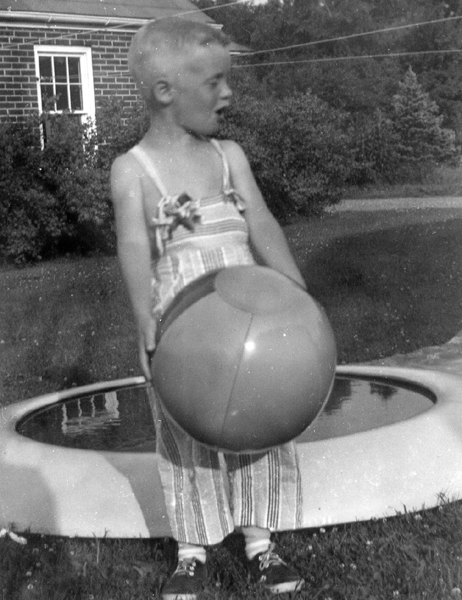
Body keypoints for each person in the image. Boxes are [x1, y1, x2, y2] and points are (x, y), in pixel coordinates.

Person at [111, 18, 306, 599]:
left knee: (259, 421)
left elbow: (261, 222)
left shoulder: (228, 156)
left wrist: (296, 291)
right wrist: (144, 319)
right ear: (165, 92)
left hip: (247, 316)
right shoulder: (133, 170)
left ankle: (261, 544)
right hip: (183, 325)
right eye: (215, 82)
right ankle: (191, 551)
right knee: (183, 434)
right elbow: (134, 246)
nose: (229, 93)